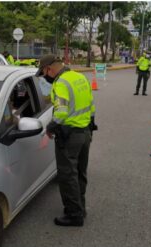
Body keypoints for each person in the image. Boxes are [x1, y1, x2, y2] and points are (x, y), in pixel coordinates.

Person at [35, 54, 97, 227]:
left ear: (49, 69)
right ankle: (80, 207)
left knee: (67, 175)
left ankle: (74, 214)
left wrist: (50, 128)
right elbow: (91, 105)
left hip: (69, 136)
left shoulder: (61, 83)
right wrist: (89, 125)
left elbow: (61, 112)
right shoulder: (79, 77)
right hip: (85, 133)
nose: (45, 76)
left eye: (44, 72)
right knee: (80, 172)